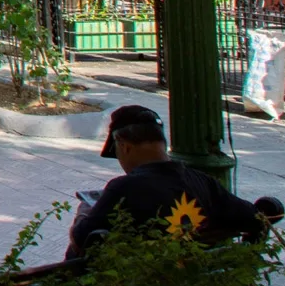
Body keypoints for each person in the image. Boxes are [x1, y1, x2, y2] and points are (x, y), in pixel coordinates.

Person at [68, 106, 265, 256]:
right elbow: (257, 217)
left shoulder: (123, 188)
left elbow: (81, 241)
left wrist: (85, 209)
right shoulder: (202, 181)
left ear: (124, 146)